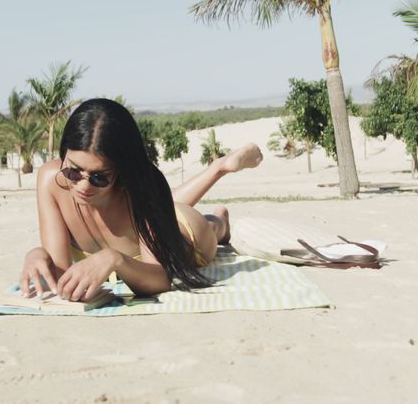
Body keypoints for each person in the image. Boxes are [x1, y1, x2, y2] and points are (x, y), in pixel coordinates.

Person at [19, 98, 262, 301]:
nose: (82, 186)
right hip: (150, 212)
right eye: (73, 171)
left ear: (122, 172)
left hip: (186, 233)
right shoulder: (51, 180)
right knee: (165, 203)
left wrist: (114, 259)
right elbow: (62, 272)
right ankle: (217, 171)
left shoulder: (142, 189)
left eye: (99, 177)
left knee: (205, 227)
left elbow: (160, 279)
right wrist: (37, 254)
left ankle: (221, 207)